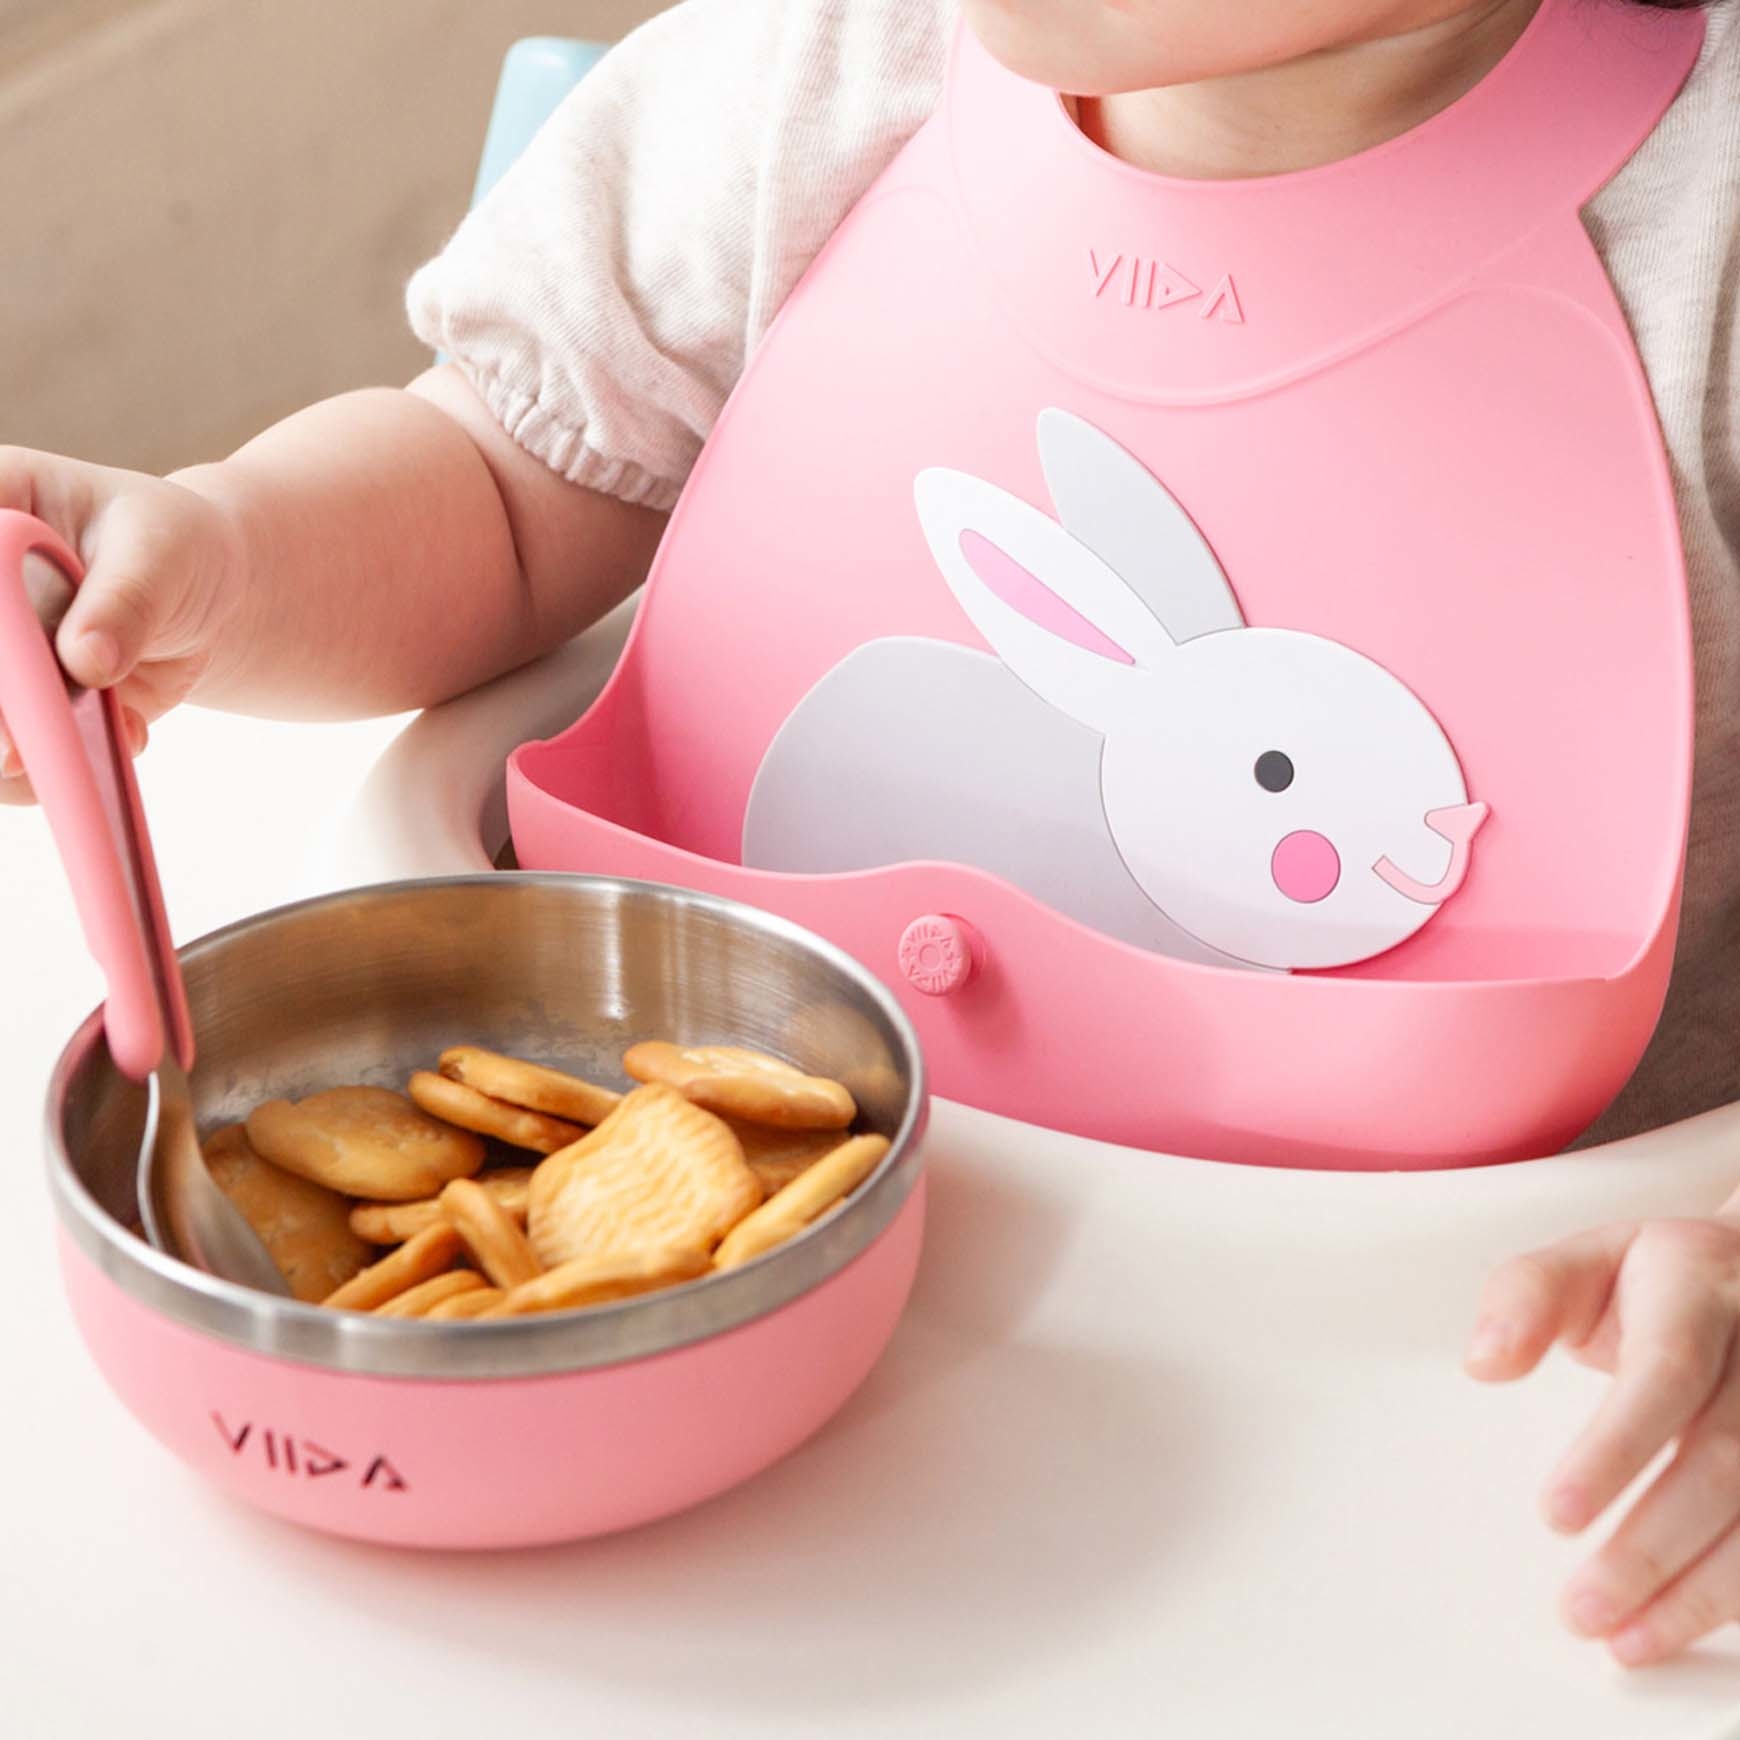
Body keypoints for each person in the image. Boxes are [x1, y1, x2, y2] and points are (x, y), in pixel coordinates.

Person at [3, 0, 1738, 1667]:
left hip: (1398, 1448)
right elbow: (508, 492)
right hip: (717, 1421)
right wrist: (218, 559)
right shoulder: (820, 80)